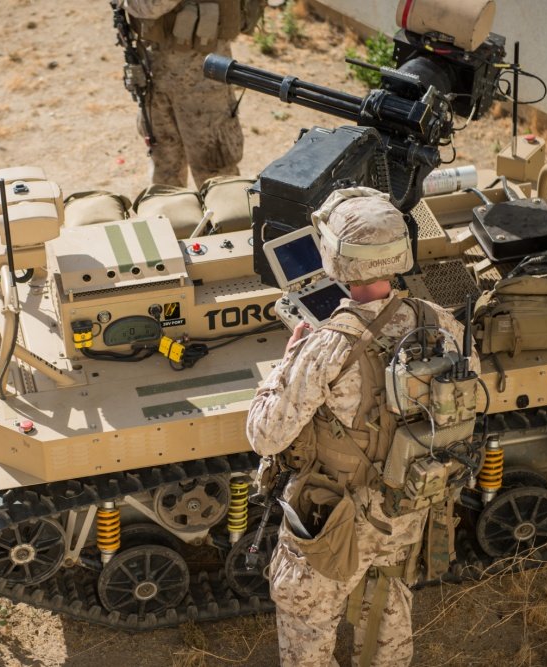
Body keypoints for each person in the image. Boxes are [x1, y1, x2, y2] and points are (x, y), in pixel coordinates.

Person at [246, 188, 481, 667]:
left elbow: (265, 434)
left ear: (334, 257)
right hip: (405, 505)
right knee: (386, 606)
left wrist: (287, 360)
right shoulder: (440, 324)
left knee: (307, 623)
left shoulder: (329, 345)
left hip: (332, 517)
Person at [121, 1, 265, 188]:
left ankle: (224, 216)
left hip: (201, 75)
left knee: (214, 167)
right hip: (155, 69)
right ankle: (171, 216)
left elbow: (151, 6)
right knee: (165, 163)